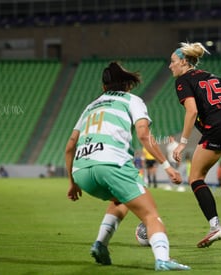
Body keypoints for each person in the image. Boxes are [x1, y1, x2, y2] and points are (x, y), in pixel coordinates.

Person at [65, 61, 190, 271]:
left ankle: (100, 244)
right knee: (151, 215)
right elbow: (143, 134)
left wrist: (72, 183)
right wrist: (167, 166)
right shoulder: (133, 100)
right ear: (128, 85)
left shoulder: (91, 106)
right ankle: (163, 259)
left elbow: (70, 146)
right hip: (112, 164)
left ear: (103, 87)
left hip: (81, 171)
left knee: (120, 199)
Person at [169, 42, 221, 251]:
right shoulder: (212, 76)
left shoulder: (183, 80)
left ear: (183, 61)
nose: (170, 66)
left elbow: (192, 111)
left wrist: (181, 144)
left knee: (196, 178)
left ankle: (215, 226)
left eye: (172, 62)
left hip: (219, 128)